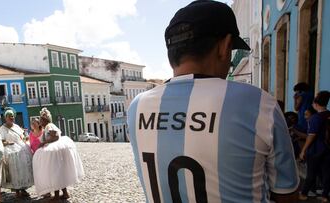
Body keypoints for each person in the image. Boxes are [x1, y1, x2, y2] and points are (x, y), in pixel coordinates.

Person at [127, 1, 299, 202]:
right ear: (225, 46)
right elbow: (286, 193)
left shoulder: (136, 107)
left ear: (171, 53)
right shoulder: (260, 104)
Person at [32, 107, 84, 201]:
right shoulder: (47, 126)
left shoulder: (49, 126)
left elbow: (55, 137)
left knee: (54, 173)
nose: (40, 122)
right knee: (59, 173)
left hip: (54, 152)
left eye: (41, 120)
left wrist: (44, 143)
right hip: (55, 152)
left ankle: (56, 196)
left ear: (45, 120)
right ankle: (65, 193)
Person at [299, 91, 330, 202]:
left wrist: (303, 150)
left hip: (316, 149)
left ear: (316, 104)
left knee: (311, 173)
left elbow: (311, 136)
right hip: (327, 149)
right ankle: (325, 196)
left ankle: (303, 193)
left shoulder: (316, 118)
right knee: (326, 173)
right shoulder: (328, 115)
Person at [0, 107, 33, 198]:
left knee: (24, 169)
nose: (11, 118)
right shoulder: (2, 129)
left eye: (12, 116)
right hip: (10, 152)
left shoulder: (16, 126)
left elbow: (23, 137)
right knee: (14, 171)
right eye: (9, 116)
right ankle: (17, 191)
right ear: (5, 117)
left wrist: (26, 138)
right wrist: (9, 143)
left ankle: (23, 188)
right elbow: (1, 142)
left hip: (21, 149)